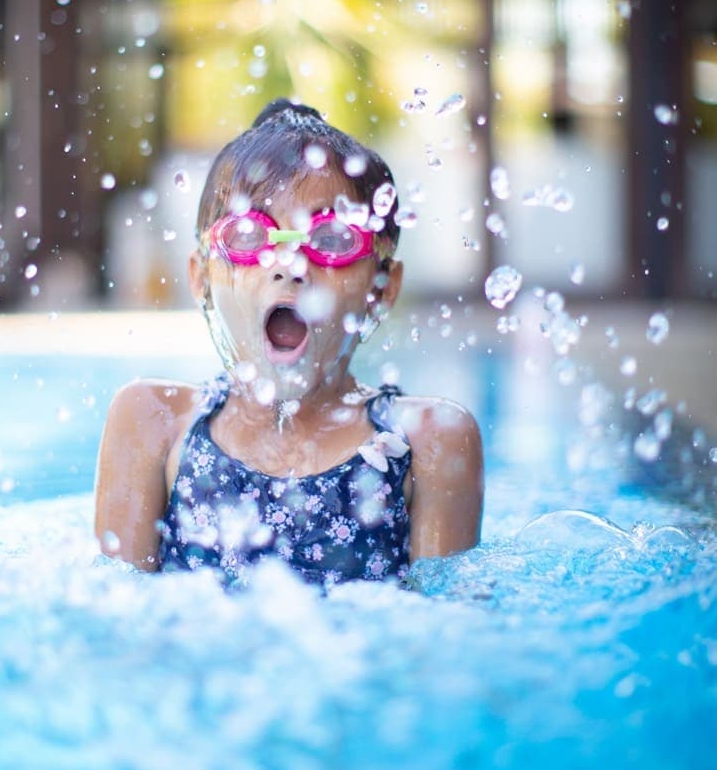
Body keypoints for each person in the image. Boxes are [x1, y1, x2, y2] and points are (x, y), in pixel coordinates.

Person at [95, 98, 483, 586]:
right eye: (247, 236)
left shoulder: (428, 438)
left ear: (382, 287)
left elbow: (448, 636)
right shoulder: (154, 422)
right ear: (201, 278)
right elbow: (117, 624)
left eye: (333, 240)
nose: (289, 265)